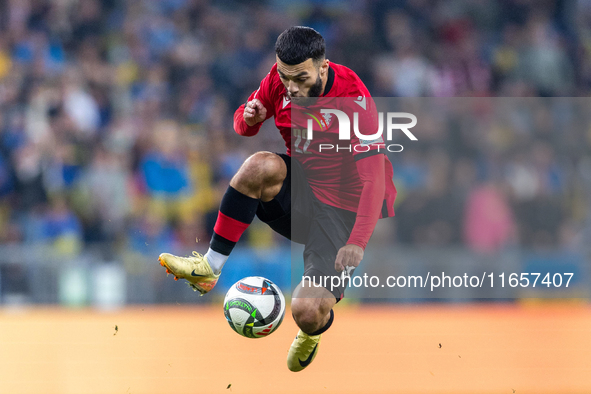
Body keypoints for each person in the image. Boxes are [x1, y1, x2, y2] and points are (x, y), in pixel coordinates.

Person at [158, 26, 396, 372]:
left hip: (342, 214)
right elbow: (243, 121)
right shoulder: (278, 78)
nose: (292, 88)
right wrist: (248, 119)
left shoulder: (354, 99)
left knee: (307, 312)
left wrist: (358, 241)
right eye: (286, 78)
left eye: (301, 78)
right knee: (258, 165)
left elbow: (373, 179)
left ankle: (313, 331)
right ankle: (209, 267)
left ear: (323, 67)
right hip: (301, 194)